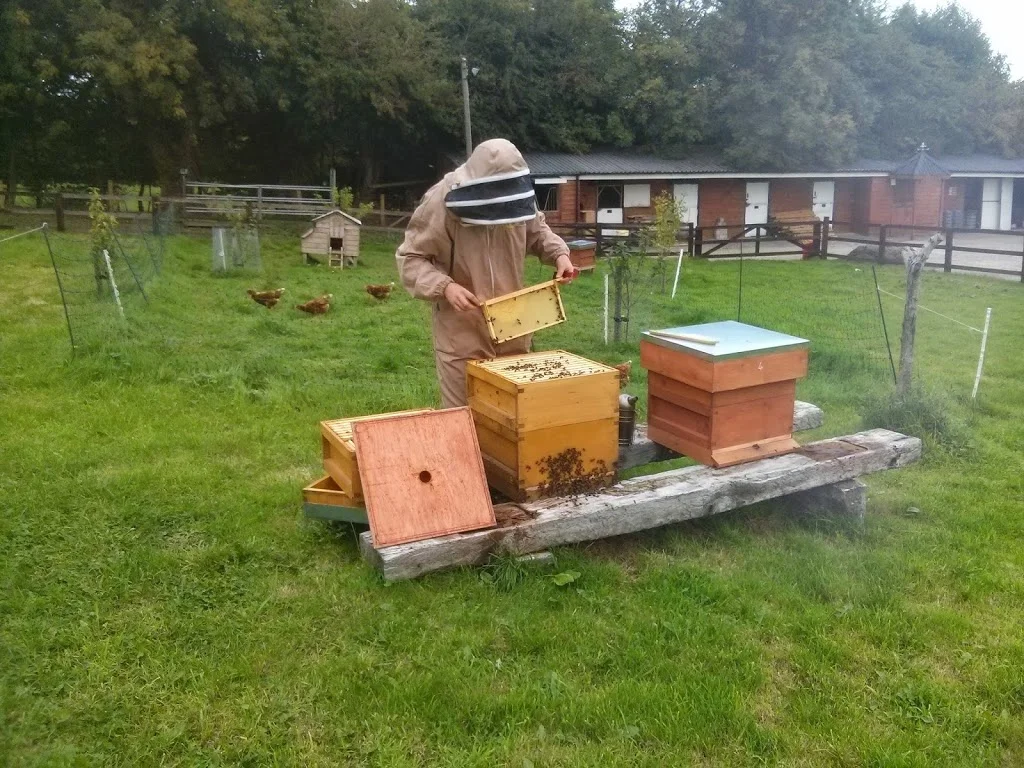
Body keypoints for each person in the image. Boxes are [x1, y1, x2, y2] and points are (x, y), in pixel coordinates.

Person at [396, 139, 576, 408]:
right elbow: (411, 258)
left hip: (513, 322)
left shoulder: (517, 195)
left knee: (512, 418)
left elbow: (538, 232)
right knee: (464, 416)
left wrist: (559, 254)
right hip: (462, 329)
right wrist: (445, 287)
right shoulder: (441, 200)